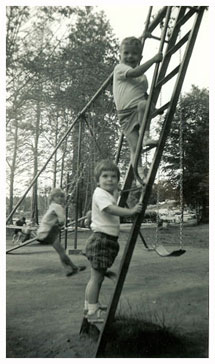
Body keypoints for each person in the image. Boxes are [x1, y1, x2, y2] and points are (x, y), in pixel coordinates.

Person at [84, 160, 142, 323]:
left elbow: (113, 201)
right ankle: (92, 312)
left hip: (104, 239)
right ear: (98, 180)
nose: (110, 179)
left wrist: (118, 192)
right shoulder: (100, 194)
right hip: (101, 240)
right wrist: (130, 211)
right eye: (105, 176)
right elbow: (109, 209)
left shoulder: (106, 194)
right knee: (96, 279)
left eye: (114, 177)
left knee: (96, 278)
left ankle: (89, 306)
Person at [113, 36, 163, 184]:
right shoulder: (119, 68)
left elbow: (143, 94)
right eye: (126, 53)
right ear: (120, 55)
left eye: (134, 54)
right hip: (125, 115)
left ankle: (146, 135)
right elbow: (133, 73)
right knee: (135, 147)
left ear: (139, 57)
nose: (129, 56)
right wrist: (153, 60)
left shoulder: (143, 78)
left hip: (139, 110)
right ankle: (139, 176)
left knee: (143, 104)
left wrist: (154, 109)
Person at [36, 188, 86, 277]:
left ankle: (70, 269)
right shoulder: (57, 207)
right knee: (62, 251)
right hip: (48, 231)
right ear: (53, 198)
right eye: (57, 196)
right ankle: (73, 268)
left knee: (60, 251)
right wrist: (62, 224)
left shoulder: (52, 206)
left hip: (43, 231)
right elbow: (62, 220)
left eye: (62, 197)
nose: (60, 198)